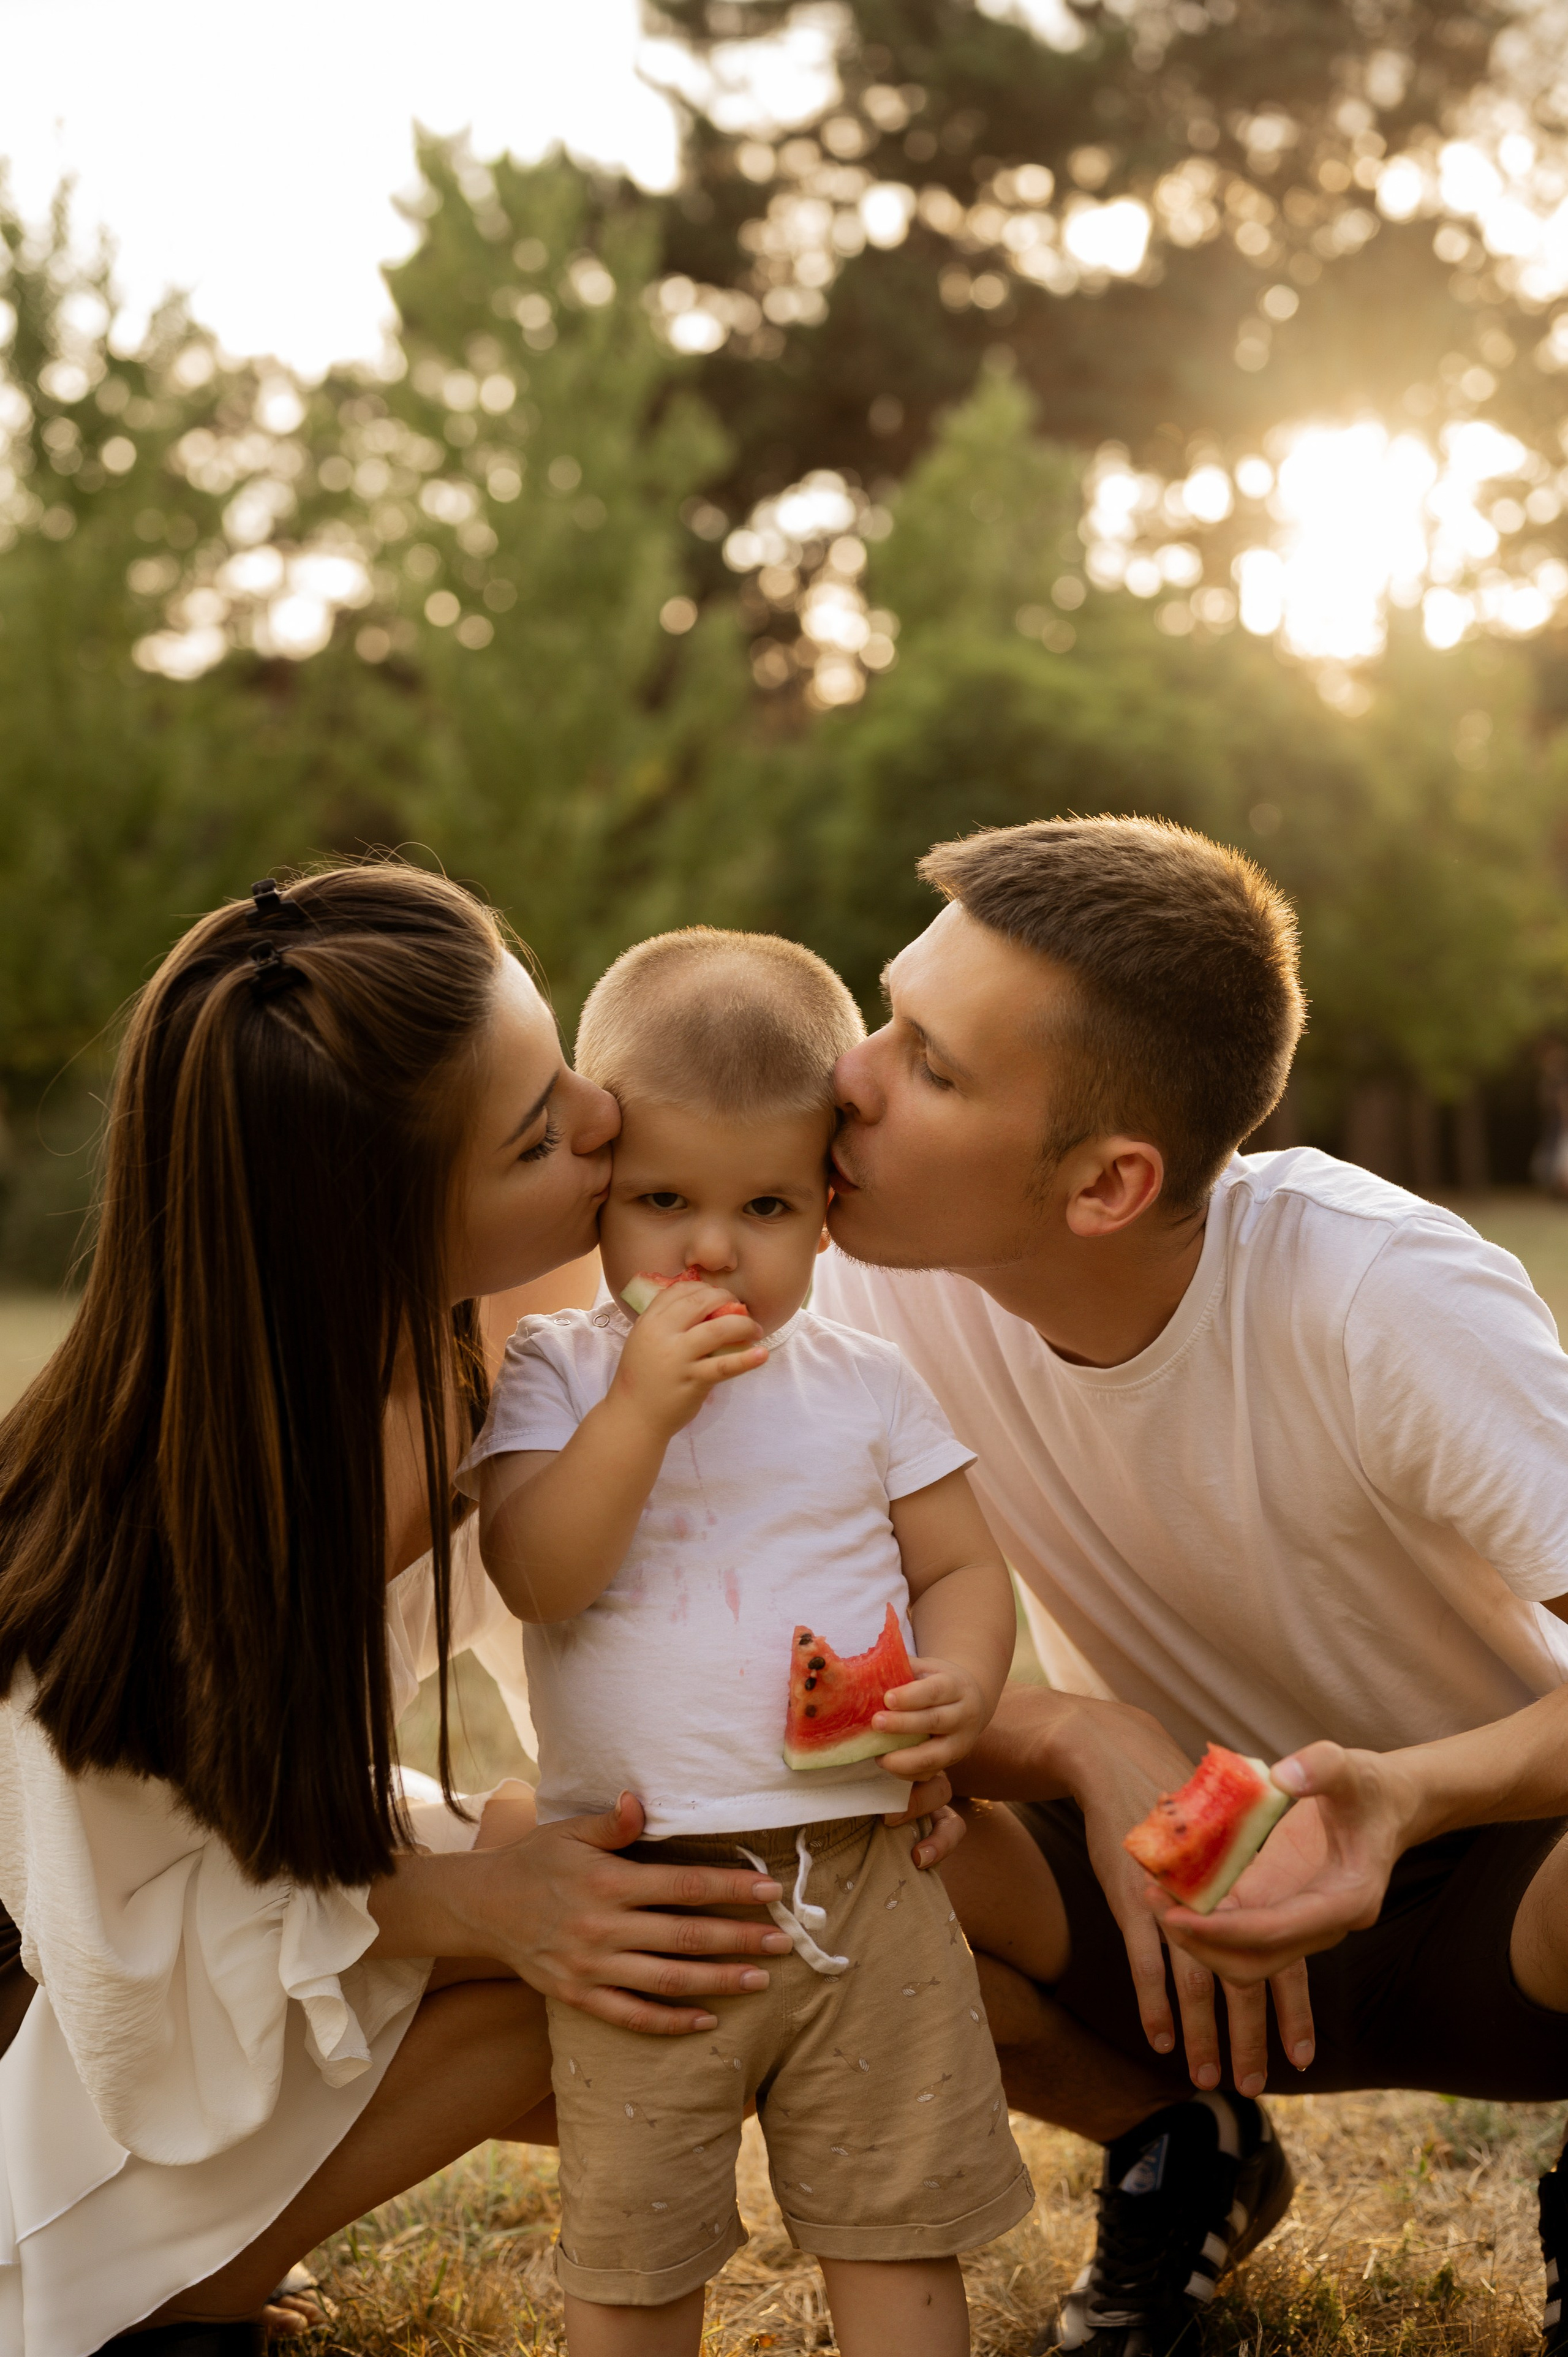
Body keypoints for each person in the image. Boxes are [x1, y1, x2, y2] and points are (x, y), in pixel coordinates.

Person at [0, 866, 821, 2357]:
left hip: (241, 1868)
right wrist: (468, 1900)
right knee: (620, 1967)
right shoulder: (253, 1499)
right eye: (534, 1136)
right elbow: (127, 1935)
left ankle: (1160, 2116)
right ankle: (166, 2291)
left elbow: (593, 1619)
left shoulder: (452, 1351)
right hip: (60, 1980)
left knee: (650, 1913)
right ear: (381, 1226)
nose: (599, 1115)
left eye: (557, 1059)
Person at [811, 815, 1568, 2357]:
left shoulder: (1372, 1290)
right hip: (1172, 1905)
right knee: (793, 1830)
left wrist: (1402, 1796)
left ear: (1104, 1184)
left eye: (930, 1065)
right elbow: (804, 1675)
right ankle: (1176, 2145)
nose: (851, 1077)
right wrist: (1084, 1741)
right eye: (882, 1015)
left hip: (1501, 1889)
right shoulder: (860, 1284)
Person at [461, 926, 1033, 2357]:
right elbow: (537, 1568)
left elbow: (962, 1563)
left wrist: (959, 1680)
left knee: (895, 2221)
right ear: (600, 1193)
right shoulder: (562, 1370)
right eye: (662, 1197)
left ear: (826, 1210)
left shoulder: (867, 1383)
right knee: (635, 2243)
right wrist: (638, 1415)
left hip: (866, 1877)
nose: (710, 1246)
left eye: (764, 1204)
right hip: (646, 1895)